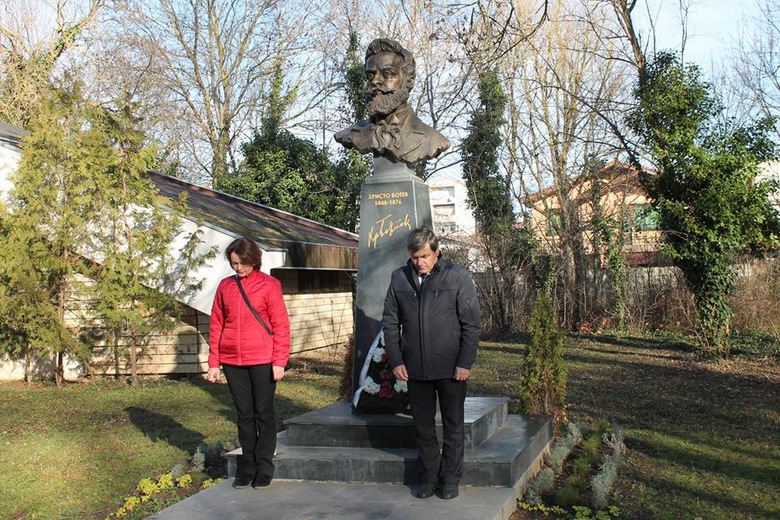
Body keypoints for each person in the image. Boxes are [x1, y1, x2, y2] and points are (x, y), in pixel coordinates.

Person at [382, 227, 481, 500]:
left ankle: (450, 479)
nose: (419, 262)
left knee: (453, 426)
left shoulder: (457, 276)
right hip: (415, 369)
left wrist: (465, 362)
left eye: (425, 256)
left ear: (436, 252)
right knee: (423, 428)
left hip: (451, 369)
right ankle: (429, 477)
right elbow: (390, 322)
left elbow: (471, 324)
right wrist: (396, 361)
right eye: (415, 257)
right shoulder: (399, 278)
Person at [206, 237, 291, 489]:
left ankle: (264, 467)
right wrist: (214, 363)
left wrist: (279, 361)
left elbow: (281, 325)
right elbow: (216, 324)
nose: (238, 268)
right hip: (232, 361)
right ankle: (248, 467)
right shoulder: (225, 287)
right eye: (234, 263)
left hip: (263, 360)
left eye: (242, 263)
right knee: (244, 415)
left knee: (263, 414)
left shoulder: (270, 285)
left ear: (254, 260)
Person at [334, 38, 449, 165]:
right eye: (370, 76)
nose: (375, 81)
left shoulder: (432, 139)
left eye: (387, 74)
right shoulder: (351, 134)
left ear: (409, 81)